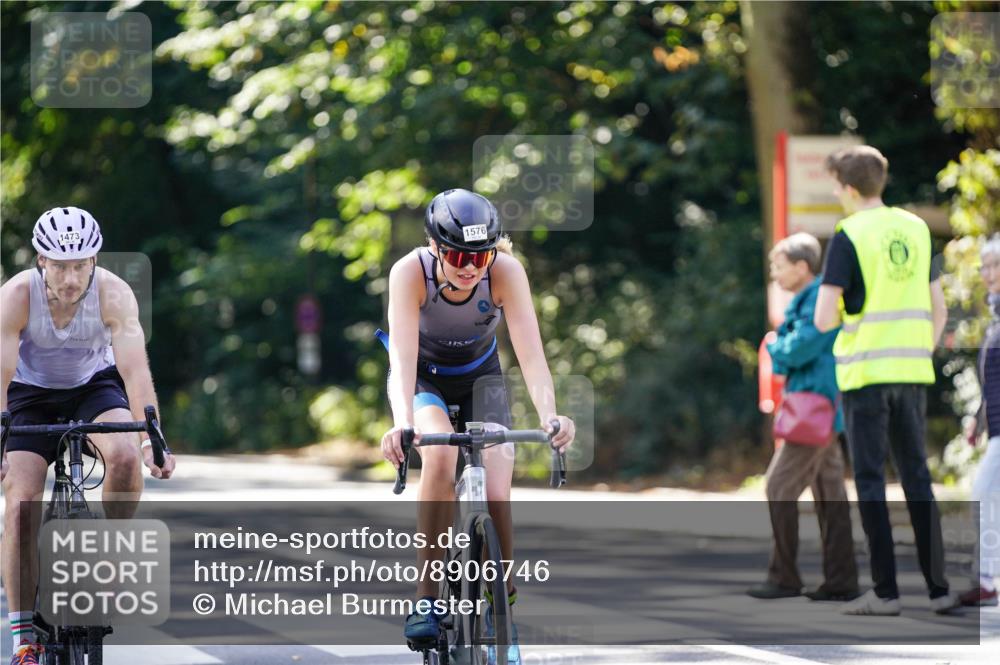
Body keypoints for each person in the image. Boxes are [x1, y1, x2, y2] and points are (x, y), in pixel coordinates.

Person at [378, 189, 575, 662]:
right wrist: (403, 424)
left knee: (498, 477)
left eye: (480, 255)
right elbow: (402, 359)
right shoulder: (410, 272)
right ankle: (426, 598)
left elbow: (530, 353)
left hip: (481, 377)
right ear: (434, 247)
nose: (469, 266)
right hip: (424, 378)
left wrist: (551, 414)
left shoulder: (505, 272)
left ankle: (501, 600)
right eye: (457, 255)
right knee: (441, 455)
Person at [1, 207, 176, 665]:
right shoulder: (16, 296)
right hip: (27, 394)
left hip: (92, 388)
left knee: (121, 457)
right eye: (60, 265)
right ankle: (24, 636)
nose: (71, 277)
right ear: (41, 260)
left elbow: (134, 371)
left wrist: (151, 440)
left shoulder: (114, 294)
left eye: (80, 264)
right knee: (21, 501)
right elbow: (0, 378)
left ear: (94, 260)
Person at [814, 146, 955, 616]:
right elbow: (940, 308)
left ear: (849, 188)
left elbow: (821, 317)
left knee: (872, 481)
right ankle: (939, 589)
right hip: (912, 371)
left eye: (837, 186)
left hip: (866, 373)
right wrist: (920, 349)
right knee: (918, 478)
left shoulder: (849, 233)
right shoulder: (916, 228)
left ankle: (887, 594)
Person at [747, 233, 859, 602]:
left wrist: (774, 344)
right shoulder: (806, 299)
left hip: (812, 409)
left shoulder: (818, 301)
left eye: (778, 266)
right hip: (824, 407)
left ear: (801, 267)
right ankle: (841, 579)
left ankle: (784, 578)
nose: (774, 274)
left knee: (778, 486)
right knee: (830, 494)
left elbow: (796, 350)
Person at [960, 234, 1000, 607]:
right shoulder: (996, 314)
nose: (988, 273)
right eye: (985, 265)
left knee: (984, 495)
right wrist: (978, 417)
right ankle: (986, 578)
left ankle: (986, 579)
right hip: (996, 428)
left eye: (995, 265)